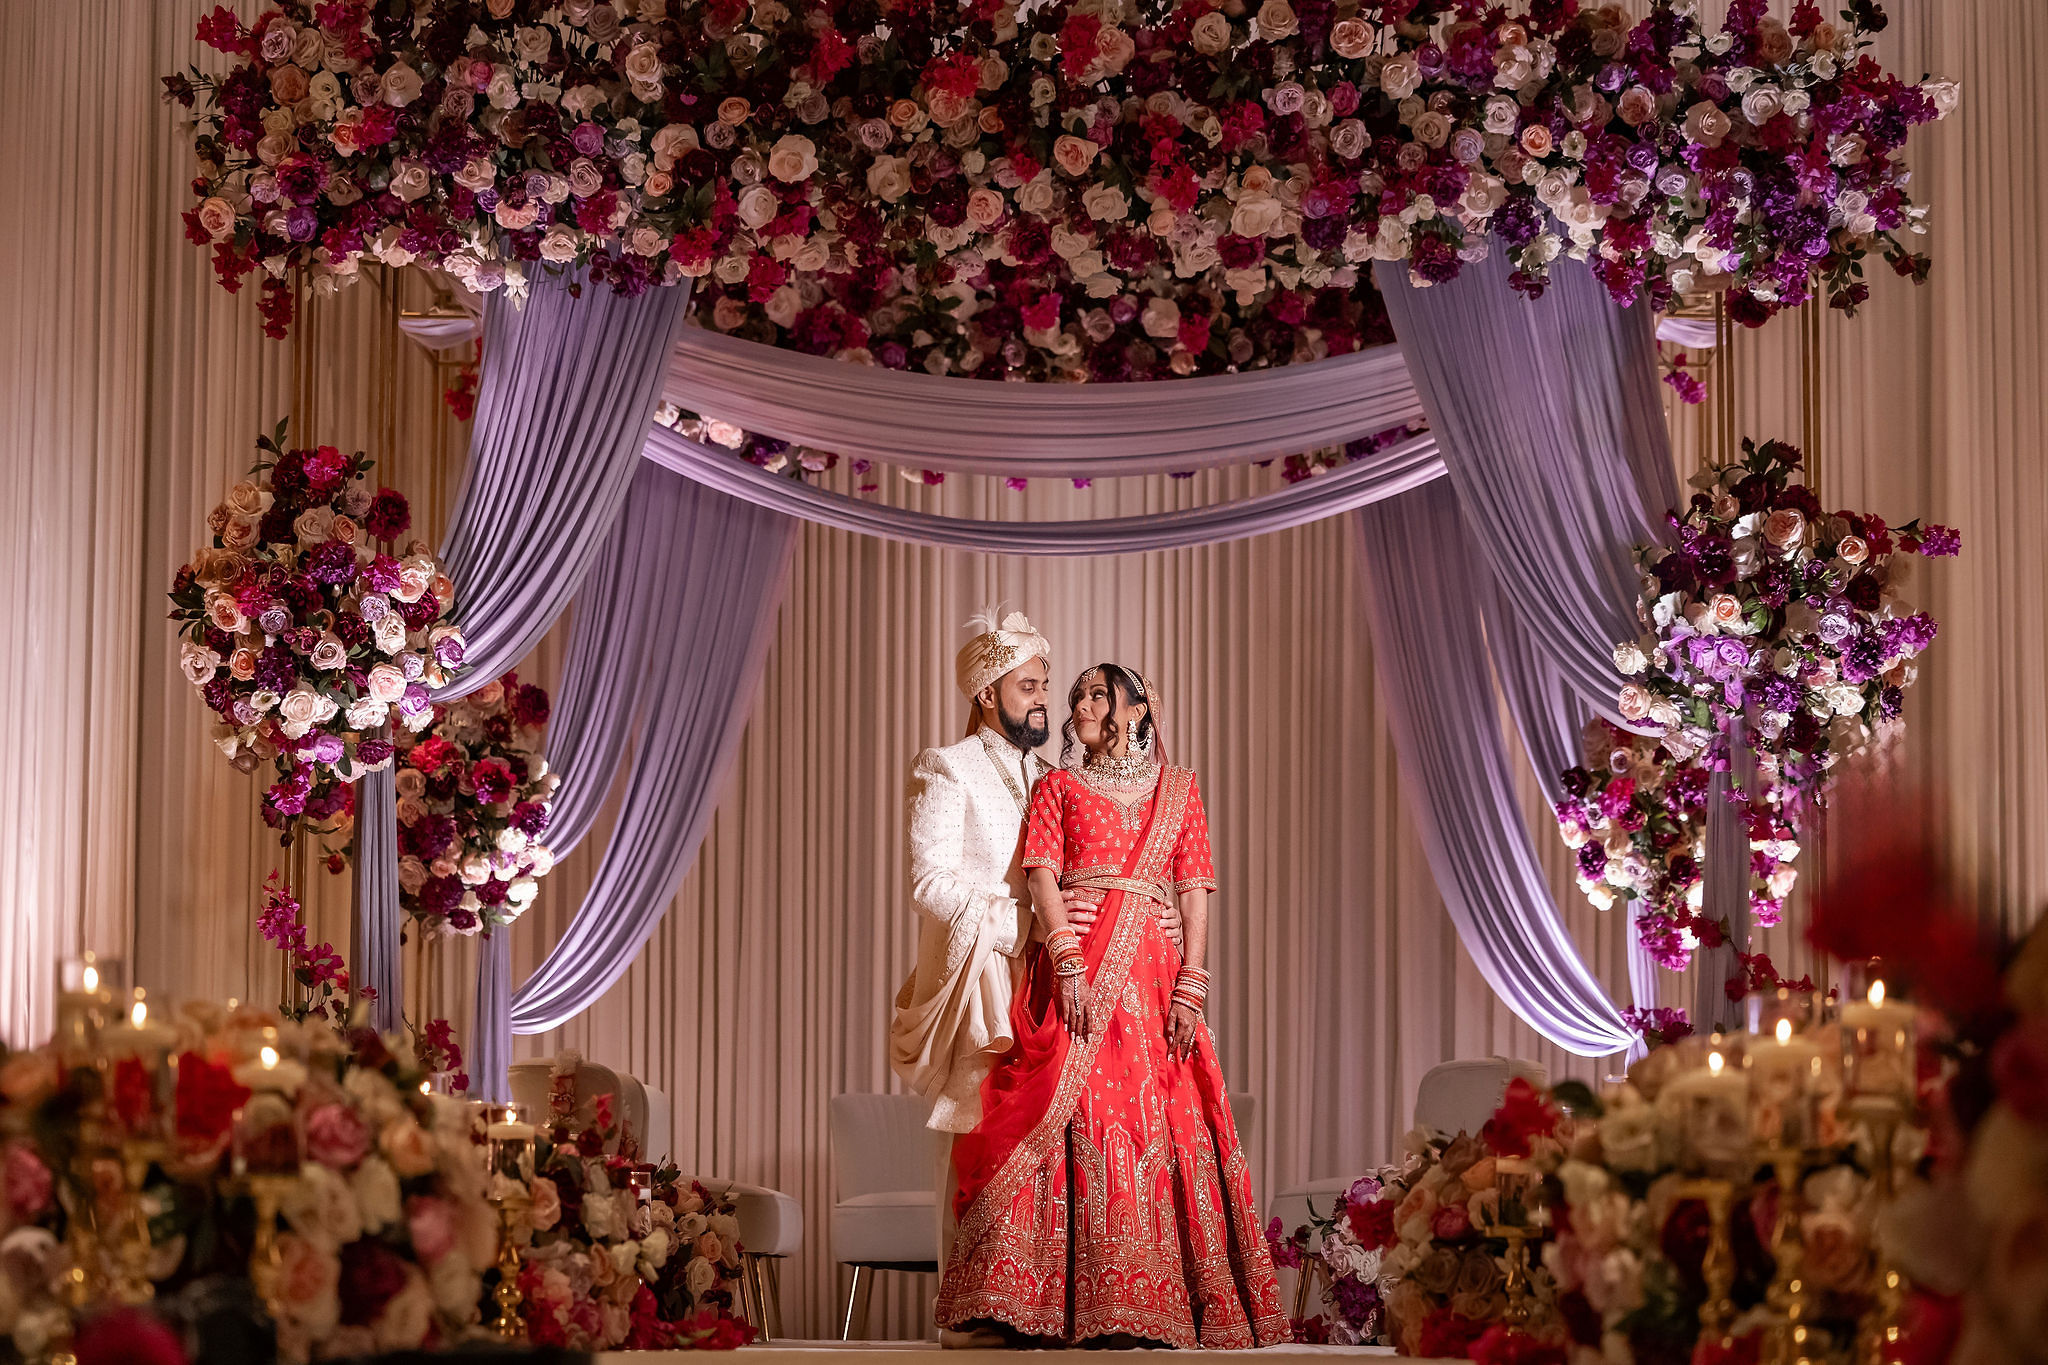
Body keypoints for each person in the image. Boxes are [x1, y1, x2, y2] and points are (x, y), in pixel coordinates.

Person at [934, 664, 1288, 1349]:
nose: (1081, 705)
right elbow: (1042, 873)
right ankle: (1034, 1302)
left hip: (1154, 980)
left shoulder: (1178, 790)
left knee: (1155, 1117)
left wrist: (1193, 981)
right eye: (1077, 697)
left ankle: (1150, 1299)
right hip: (1081, 968)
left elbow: (1193, 889)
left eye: (1098, 694)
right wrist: (1065, 956)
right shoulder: (1058, 787)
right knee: (1061, 1110)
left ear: (1138, 709)